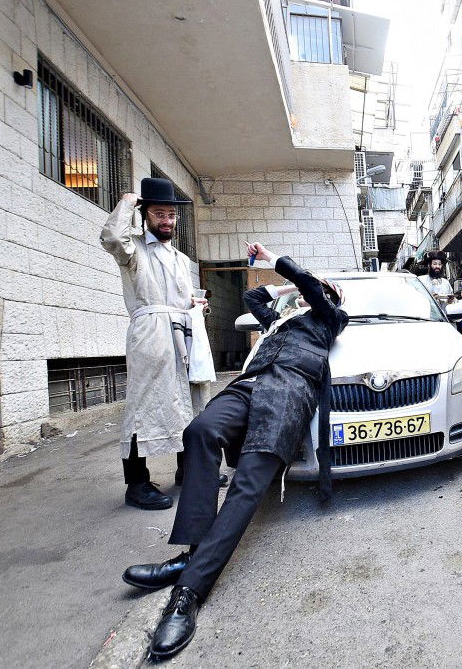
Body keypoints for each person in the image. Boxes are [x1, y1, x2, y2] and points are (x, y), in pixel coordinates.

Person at [120, 242, 347, 659]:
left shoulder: (332, 319)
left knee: (247, 485)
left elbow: (313, 292)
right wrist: (284, 290)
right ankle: (192, 553)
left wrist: (294, 272)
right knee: (200, 433)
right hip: (249, 386)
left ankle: (188, 591)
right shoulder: (281, 319)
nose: (312, 294)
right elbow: (252, 297)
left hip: (289, 394)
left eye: (320, 291)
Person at [100, 178, 221, 511]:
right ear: (145, 215)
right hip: (151, 333)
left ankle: (189, 469)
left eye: (170, 214)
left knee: (192, 400)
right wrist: (127, 201)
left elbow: (183, 300)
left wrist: (196, 308)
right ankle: (136, 484)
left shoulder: (181, 259)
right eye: (158, 214)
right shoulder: (133, 249)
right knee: (145, 403)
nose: (166, 220)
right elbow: (111, 237)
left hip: (183, 332)